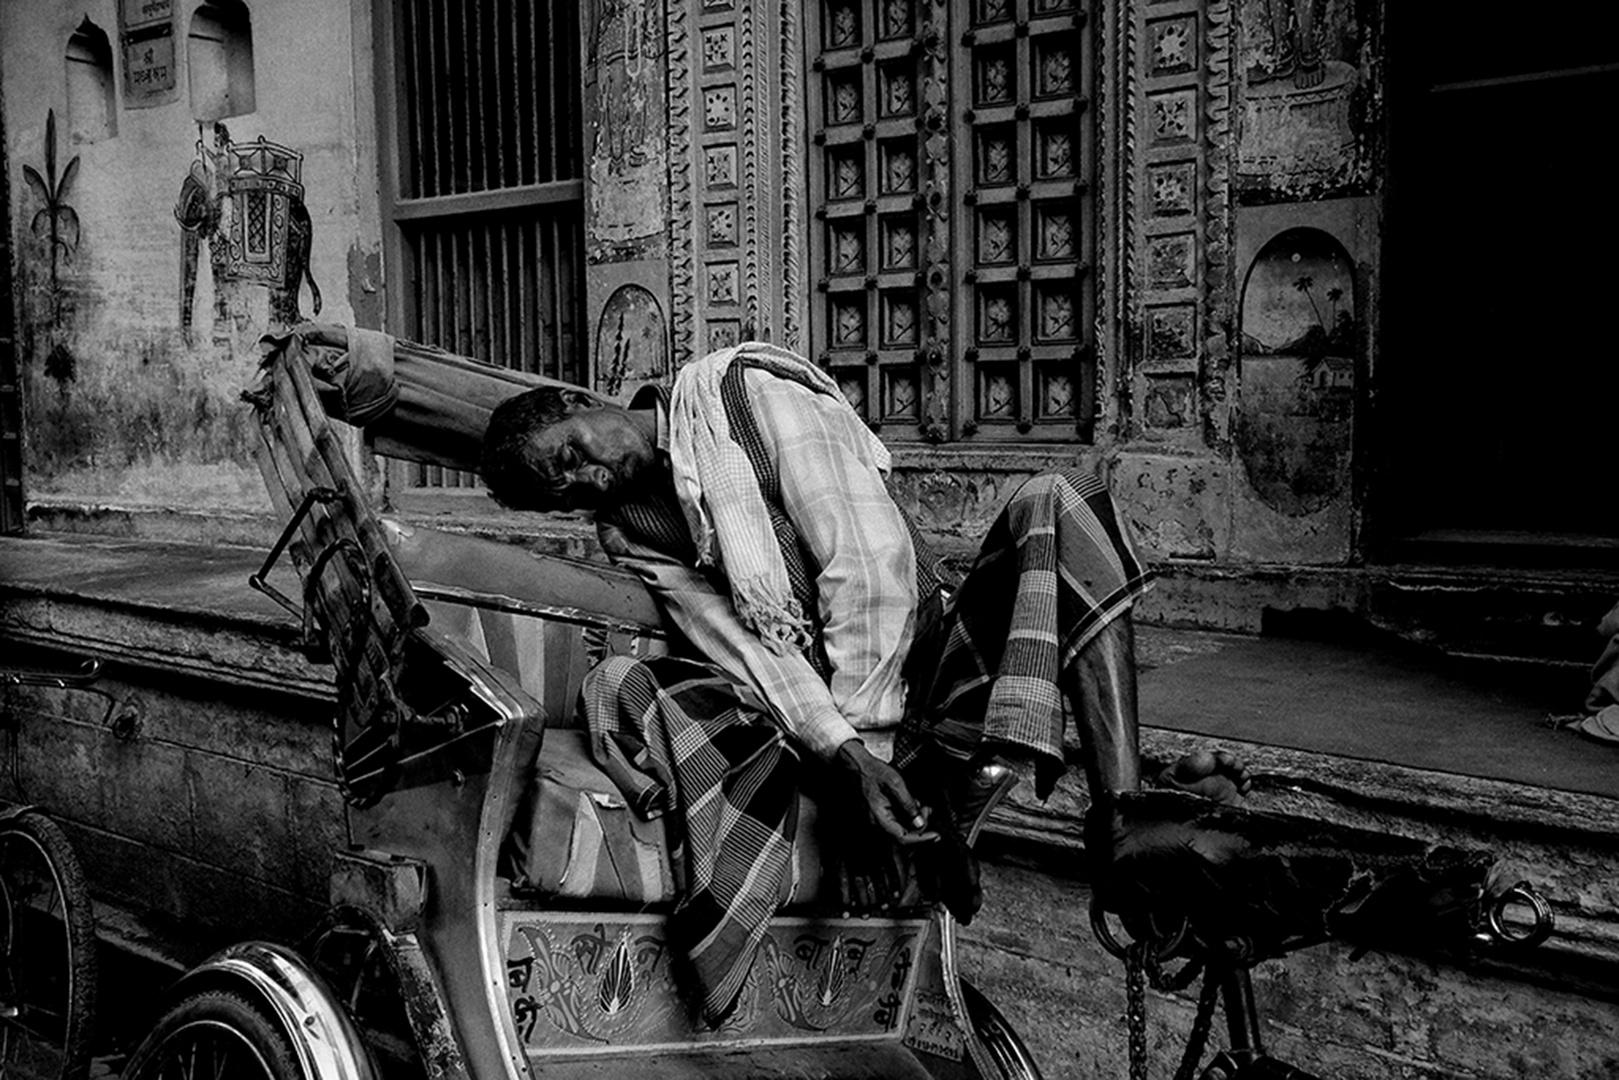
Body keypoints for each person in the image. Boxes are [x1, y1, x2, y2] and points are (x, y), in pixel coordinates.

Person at [481, 342, 1248, 1018]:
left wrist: (873, 751)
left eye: (573, 453)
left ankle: (1118, 818)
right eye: (566, 491)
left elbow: (867, 566)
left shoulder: (743, 391)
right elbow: (747, 650)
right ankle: (935, 814)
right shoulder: (628, 529)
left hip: (921, 664)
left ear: (585, 402)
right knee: (654, 684)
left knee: (1059, 500)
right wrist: (848, 759)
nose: (586, 479)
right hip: (834, 722)